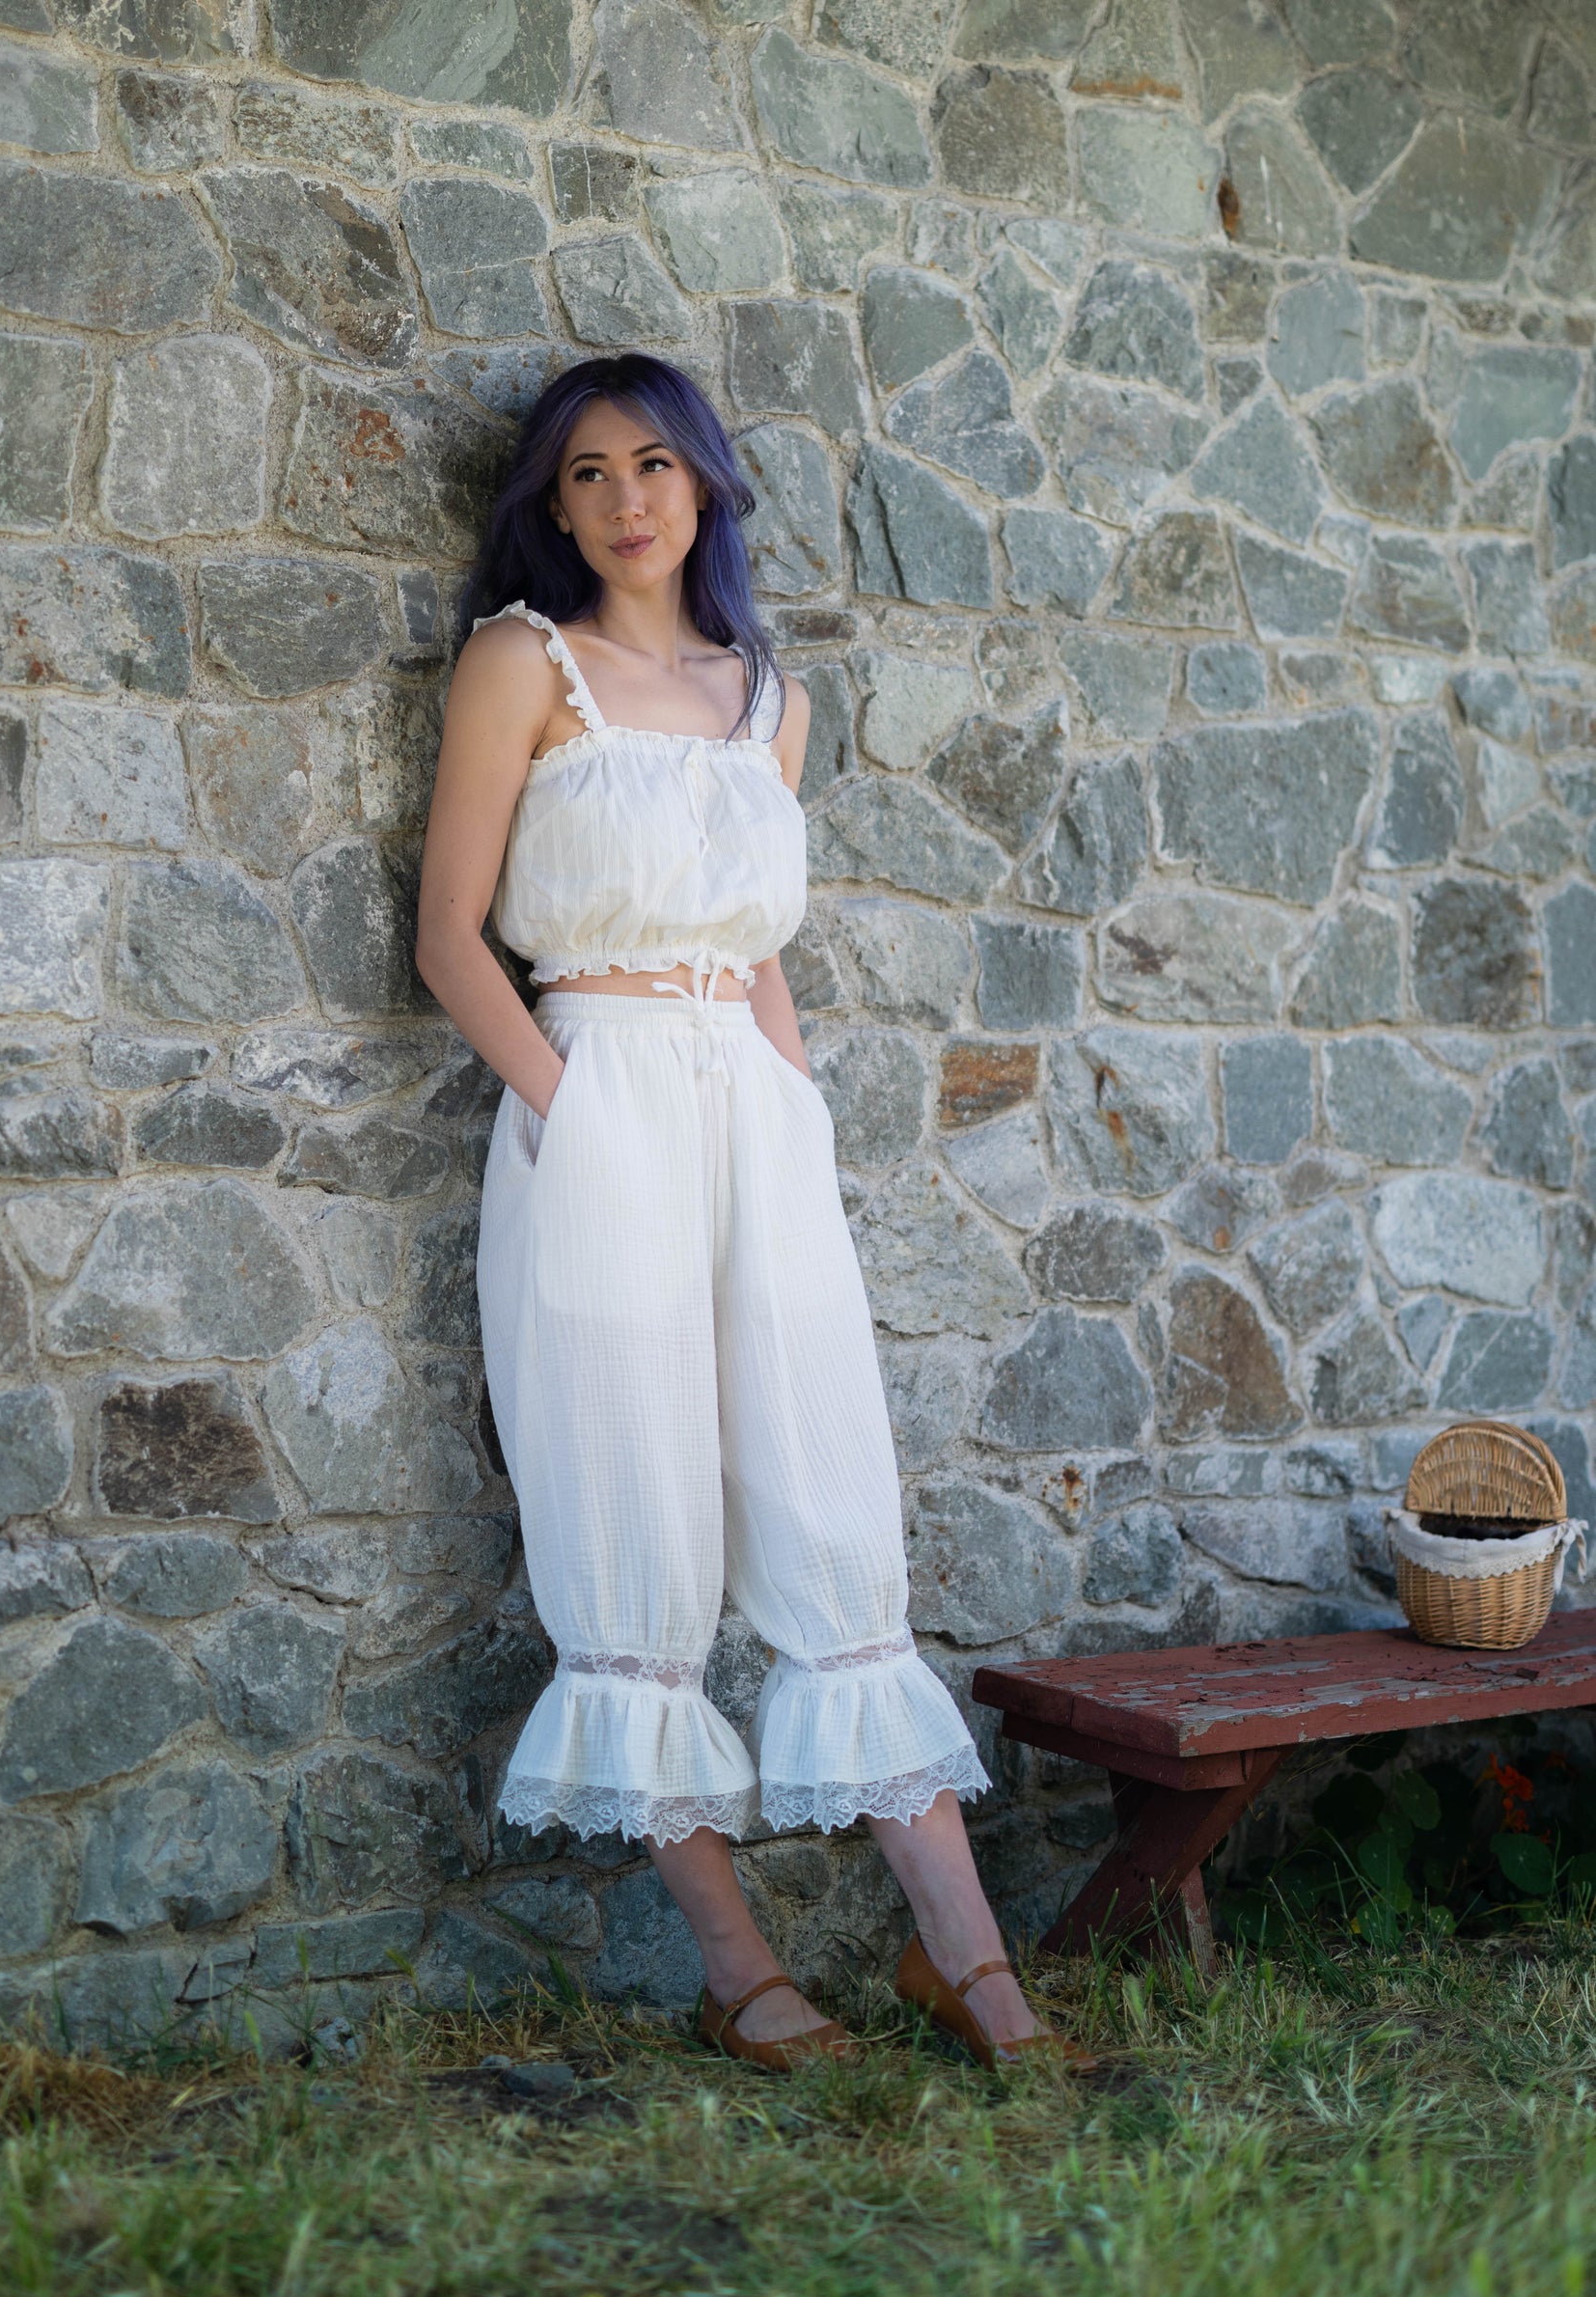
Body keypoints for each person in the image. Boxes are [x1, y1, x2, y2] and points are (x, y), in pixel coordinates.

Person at [416, 353, 1090, 2075]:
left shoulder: (764, 697)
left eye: (655, 462)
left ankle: (973, 1967)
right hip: (602, 1091)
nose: (626, 497)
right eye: (586, 473)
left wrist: (791, 1113)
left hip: (753, 1104)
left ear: (703, 484)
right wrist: (578, 1111)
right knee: (631, 1519)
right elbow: (449, 944)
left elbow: (760, 941)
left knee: (825, 1494)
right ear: (552, 505)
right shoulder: (522, 661)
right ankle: (742, 1972)